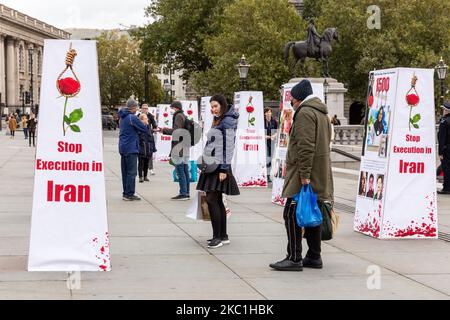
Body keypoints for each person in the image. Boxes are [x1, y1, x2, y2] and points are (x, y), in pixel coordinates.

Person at [270, 79, 334, 271]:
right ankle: (314, 256)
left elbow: (306, 147)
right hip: (319, 172)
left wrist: (304, 175)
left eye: (292, 101)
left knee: (291, 214)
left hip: (304, 173)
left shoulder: (305, 112)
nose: (292, 104)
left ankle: (294, 257)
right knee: (313, 213)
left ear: (298, 99)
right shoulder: (322, 113)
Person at [197, 95, 240, 249]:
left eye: (215, 106)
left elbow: (229, 147)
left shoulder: (226, 121)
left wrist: (224, 169)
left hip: (218, 166)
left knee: (212, 200)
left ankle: (218, 237)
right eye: (211, 106)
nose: (213, 109)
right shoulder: (222, 119)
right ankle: (223, 235)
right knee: (217, 200)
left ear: (222, 105)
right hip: (214, 164)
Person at [118, 98, 149, 201]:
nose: (137, 109)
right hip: (131, 147)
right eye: (136, 107)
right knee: (131, 172)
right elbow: (144, 128)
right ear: (132, 107)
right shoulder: (132, 117)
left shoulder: (122, 117)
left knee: (125, 172)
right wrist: (144, 121)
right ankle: (129, 194)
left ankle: (125, 192)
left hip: (123, 147)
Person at [161, 101, 191, 201]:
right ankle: (186, 192)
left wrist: (164, 130)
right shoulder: (184, 115)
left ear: (176, 108)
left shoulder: (178, 116)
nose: (171, 111)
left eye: (172, 108)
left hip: (179, 147)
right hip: (185, 146)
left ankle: (183, 193)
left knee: (180, 171)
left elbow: (176, 131)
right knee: (185, 170)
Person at [139, 104, 158, 176]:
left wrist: (151, 131)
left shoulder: (150, 116)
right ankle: (142, 170)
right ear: (141, 109)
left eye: (146, 108)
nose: (145, 110)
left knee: (149, 154)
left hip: (148, 136)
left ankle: (150, 168)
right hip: (141, 137)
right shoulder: (138, 116)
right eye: (143, 108)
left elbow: (155, 126)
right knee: (141, 155)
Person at [138, 114, 156, 183]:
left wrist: (153, 148)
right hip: (142, 148)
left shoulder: (149, 127)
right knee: (141, 163)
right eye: (145, 118)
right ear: (141, 120)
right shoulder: (139, 127)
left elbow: (151, 138)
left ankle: (145, 176)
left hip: (148, 148)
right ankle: (140, 176)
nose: (147, 120)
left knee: (146, 163)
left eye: (147, 118)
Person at [438, 101, 450, 194]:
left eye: (444, 109)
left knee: (446, 168)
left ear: (446, 110)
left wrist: (440, 152)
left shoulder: (444, 121)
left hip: (446, 149)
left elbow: (442, 138)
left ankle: (446, 188)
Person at [264, 107, 278, 182]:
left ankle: (268, 175)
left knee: (270, 158)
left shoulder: (274, 121)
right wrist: (268, 137)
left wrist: (273, 136)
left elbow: (277, 131)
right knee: (266, 159)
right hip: (264, 143)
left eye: (270, 112)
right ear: (264, 113)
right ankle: (265, 175)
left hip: (272, 143)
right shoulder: (262, 121)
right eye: (267, 112)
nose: (269, 113)